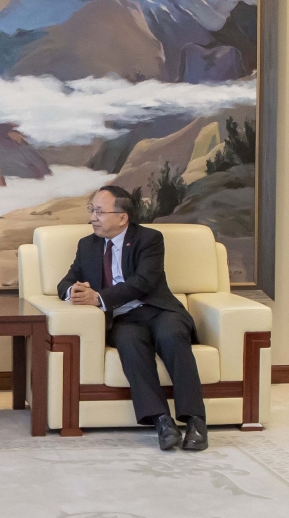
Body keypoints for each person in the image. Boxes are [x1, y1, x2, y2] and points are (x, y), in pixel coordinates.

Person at [58, 186, 208, 452]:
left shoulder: (149, 239)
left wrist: (98, 297)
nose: (92, 218)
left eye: (99, 212)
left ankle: (195, 420)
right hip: (125, 319)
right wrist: (74, 292)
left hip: (159, 310)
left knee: (171, 335)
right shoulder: (87, 245)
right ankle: (162, 421)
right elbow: (66, 281)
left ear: (122, 217)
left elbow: (143, 282)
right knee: (129, 343)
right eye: (91, 210)